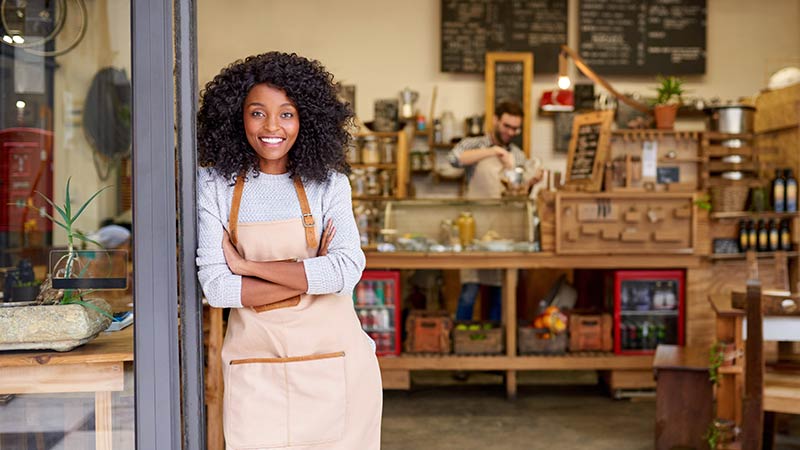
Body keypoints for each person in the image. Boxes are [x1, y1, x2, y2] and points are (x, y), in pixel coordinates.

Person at [196, 52, 382, 450]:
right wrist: (312, 275)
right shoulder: (212, 184)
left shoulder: (330, 185)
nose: (272, 127)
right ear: (236, 117)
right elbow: (218, 289)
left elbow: (346, 271)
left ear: (305, 120)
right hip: (255, 371)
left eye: (287, 114)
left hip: (339, 367)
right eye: (257, 112)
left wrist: (246, 267)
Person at [448, 101, 542, 322]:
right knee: (469, 292)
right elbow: (454, 158)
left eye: (515, 128)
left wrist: (531, 182)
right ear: (495, 120)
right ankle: (461, 343)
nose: (511, 132)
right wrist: (493, 151)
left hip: (504, 232)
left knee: (502, 293)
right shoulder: (474, 144)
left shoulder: (518, 156)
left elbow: (517, 192)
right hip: (474, 229)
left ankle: (496, 342)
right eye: (507, 126)